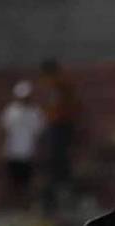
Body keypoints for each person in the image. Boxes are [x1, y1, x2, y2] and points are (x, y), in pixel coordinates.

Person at [37, 59, 79, 211]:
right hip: (59, 125)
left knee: (58, 160)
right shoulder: (59, 86)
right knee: (57, 160)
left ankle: (60, 188)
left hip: (60, 125)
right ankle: (58, 187)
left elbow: (57, 108)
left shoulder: (58, 86)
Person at [0, 80, 45, 201]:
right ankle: (13, 205)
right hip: (12, 152)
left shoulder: (35, 112)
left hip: (28, 152)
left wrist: (38, 151)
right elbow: (4, 131)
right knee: (12, 182)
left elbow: (38, 134)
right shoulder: (10, 111)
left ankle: (26, 206)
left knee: (27, 183)